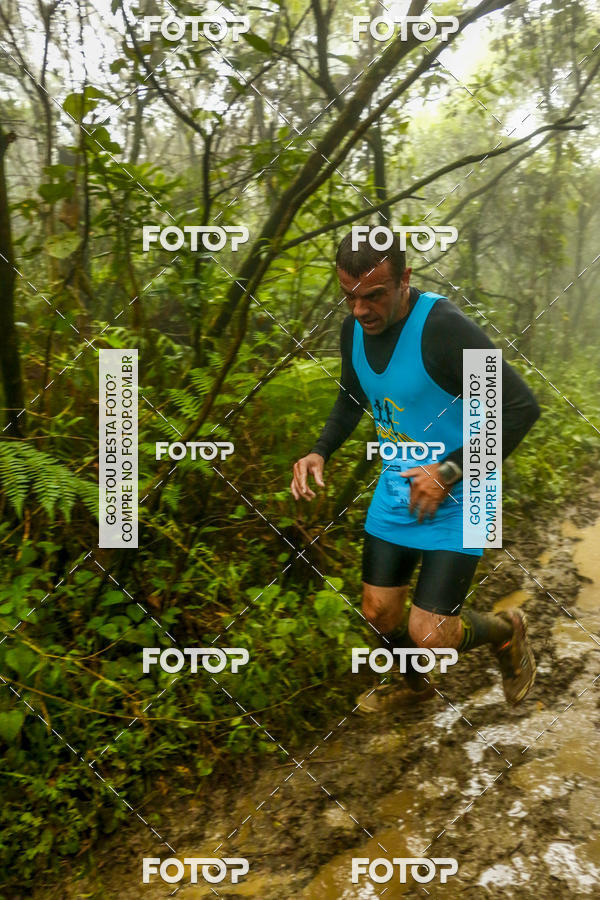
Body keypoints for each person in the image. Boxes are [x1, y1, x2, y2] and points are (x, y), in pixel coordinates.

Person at [290, 229, 541, 712]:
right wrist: (320, 450)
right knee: (378, 615)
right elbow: (350, 399)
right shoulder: (354, 331)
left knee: (429, 636)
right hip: (398, 485)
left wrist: (449, 470)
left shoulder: (444, 330)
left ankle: (505, 631)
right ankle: (416, 690)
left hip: (465, 489)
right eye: (350, 298)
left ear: (404, 278)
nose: (361, 310)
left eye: (374, 296)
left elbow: (518, 408)